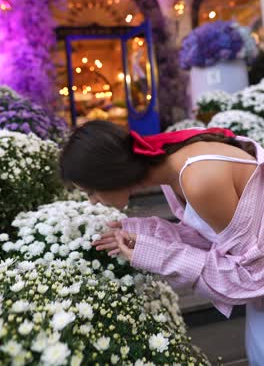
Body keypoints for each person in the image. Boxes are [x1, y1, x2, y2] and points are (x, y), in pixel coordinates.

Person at [60, 120, 264, 365]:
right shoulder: (175, 161)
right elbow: (218, 240)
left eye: (90, 192)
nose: (92, 202)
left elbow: (253, 277)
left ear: (109, 175)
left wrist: (159, 255)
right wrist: (146, 236)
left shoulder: (199, 180)